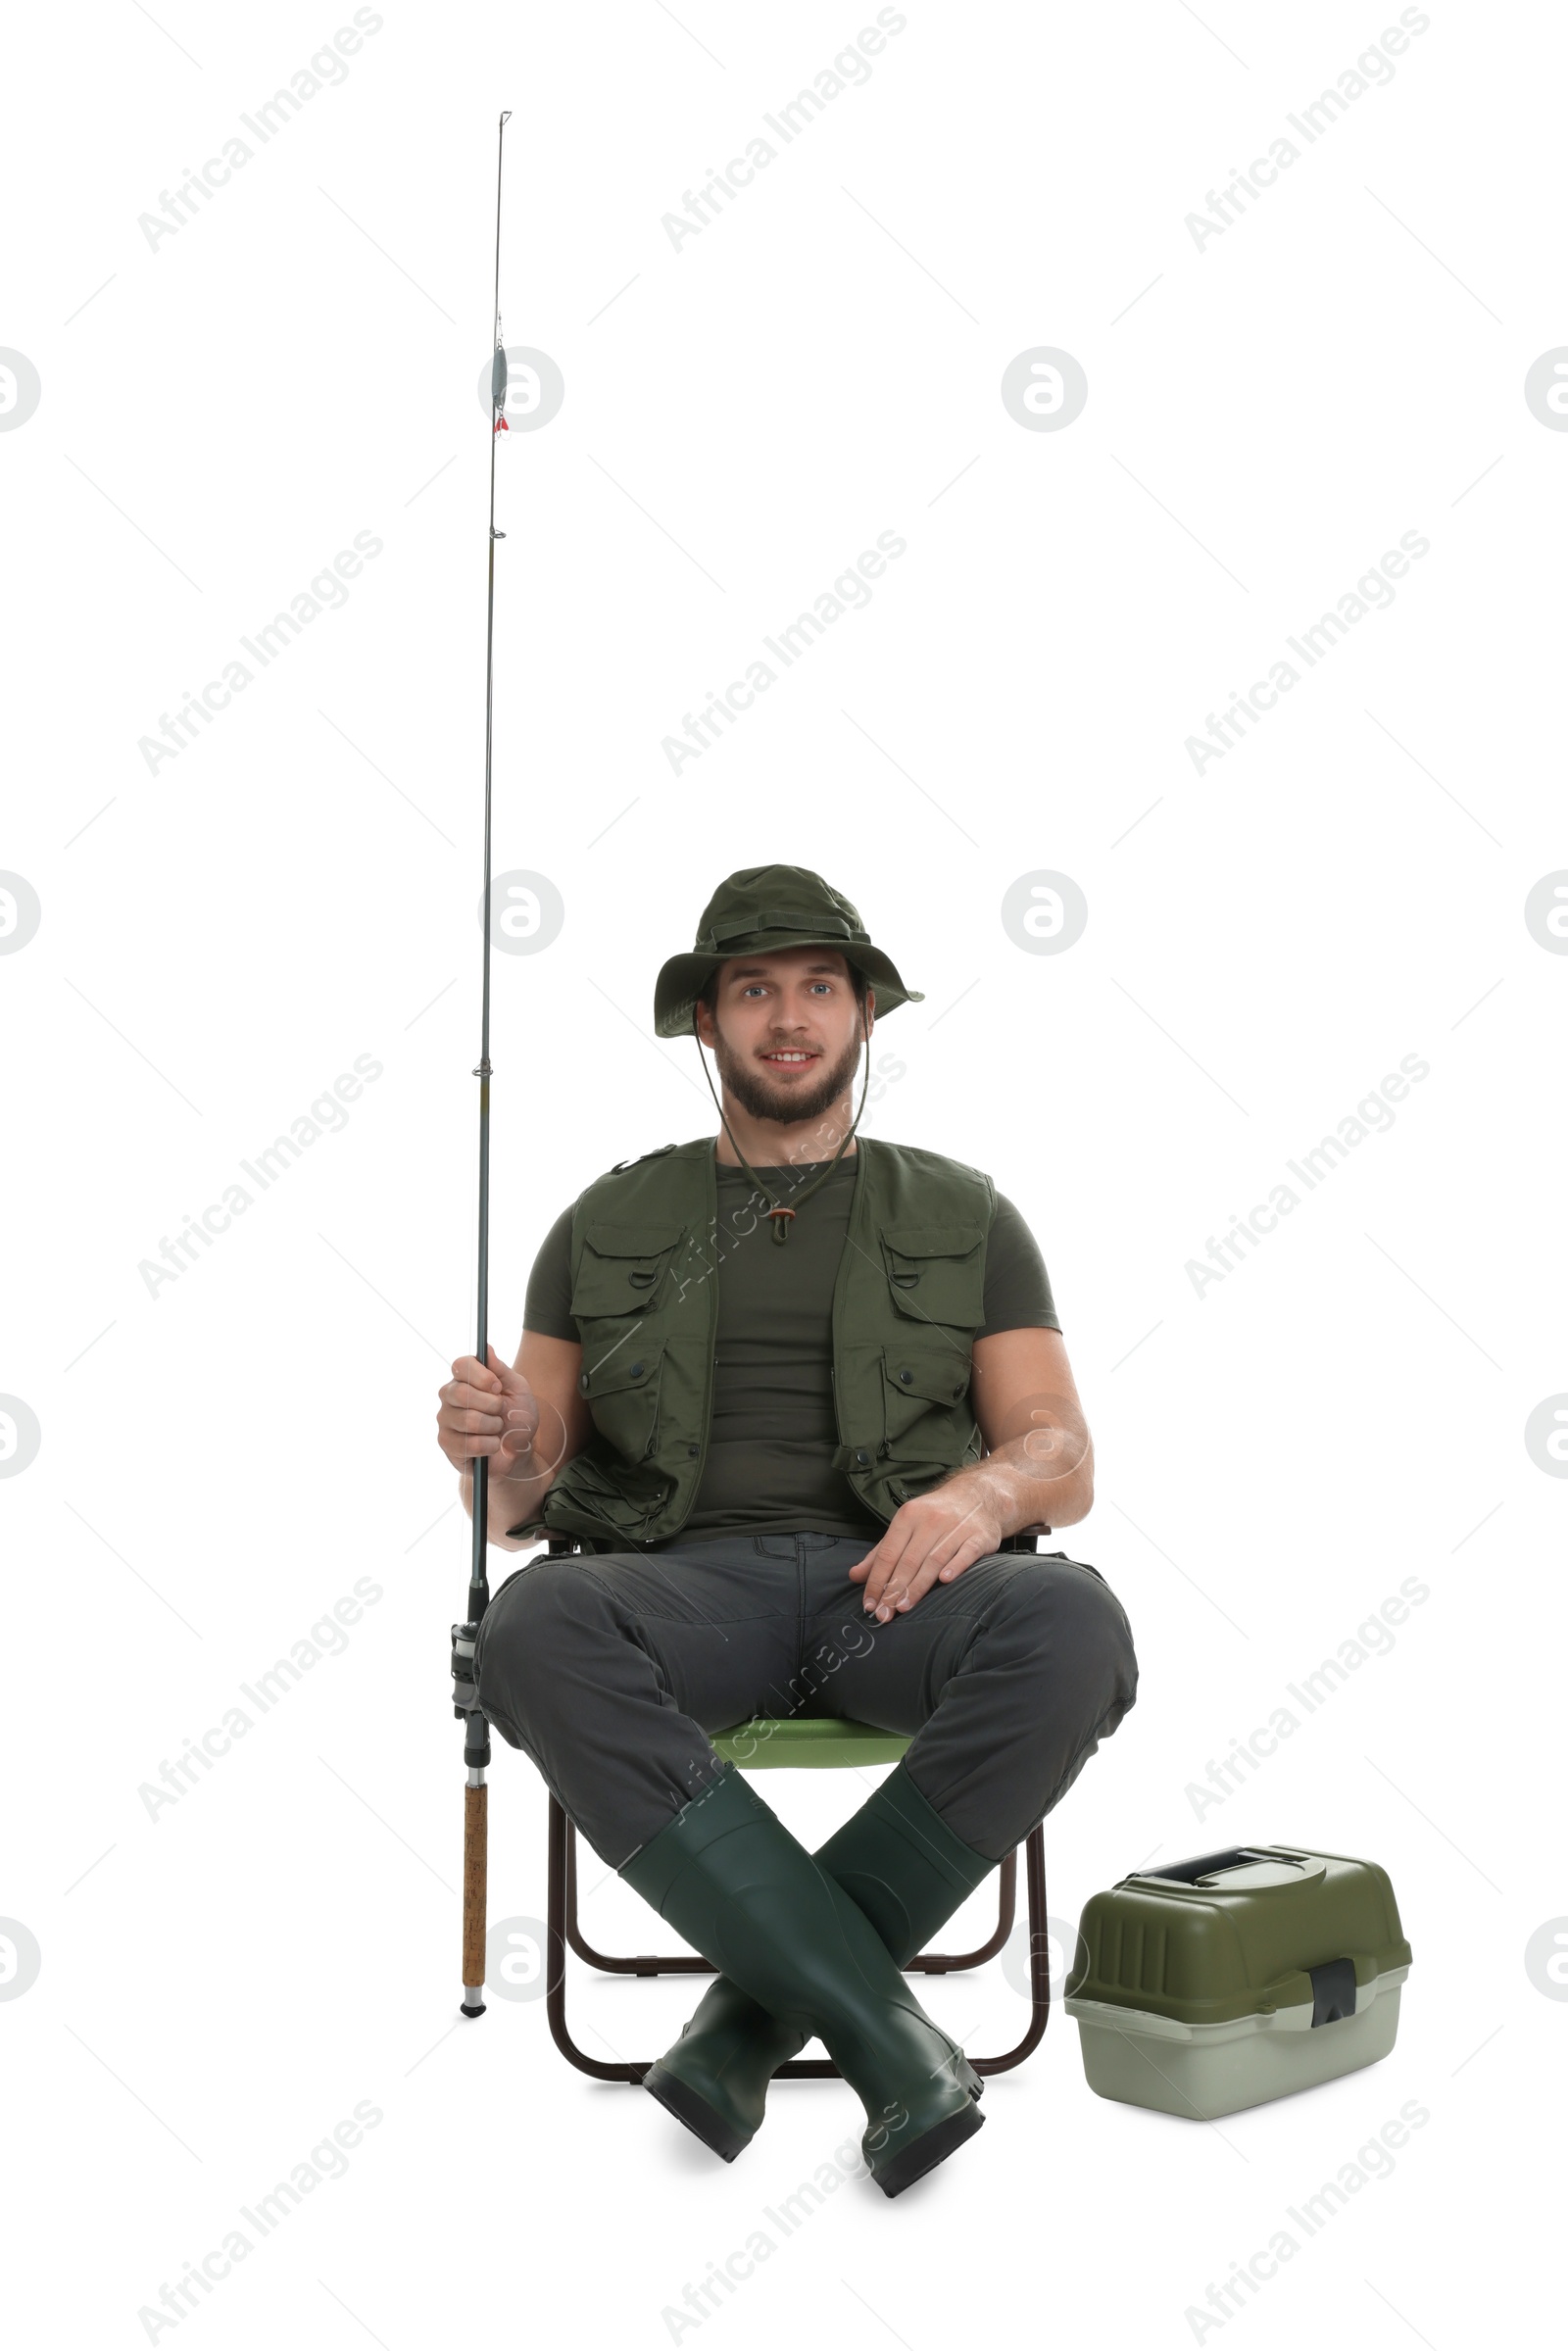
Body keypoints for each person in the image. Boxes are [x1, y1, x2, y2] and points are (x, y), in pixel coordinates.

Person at [434, 864, 1138, 2196]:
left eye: (821, 986)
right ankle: (890, 2037)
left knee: (1074, 1623)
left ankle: (744, 2023)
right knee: (532, 1627)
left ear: (864, 1014)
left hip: (898, 1591)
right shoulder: (603, 1222)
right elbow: (523, 1496)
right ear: (706, 1022)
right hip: (676, 1593)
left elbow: (1060, 1451)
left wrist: (981, 1495)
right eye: (755, 990)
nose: (791, 1015)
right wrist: (499, 1440)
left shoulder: (968, 1215)